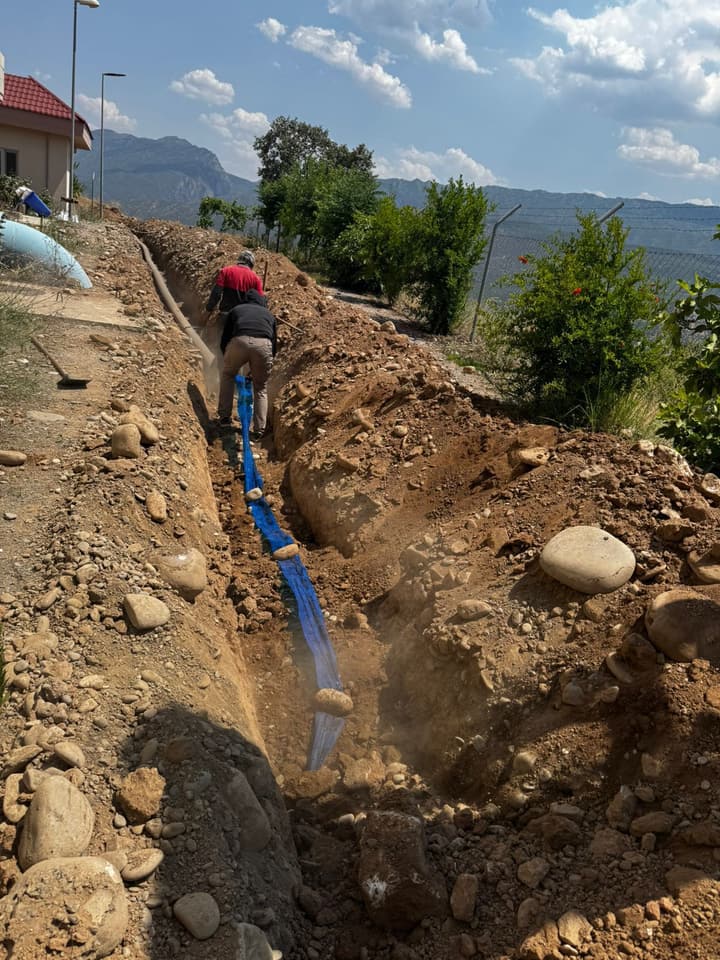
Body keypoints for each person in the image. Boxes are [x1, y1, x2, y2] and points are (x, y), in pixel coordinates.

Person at [218, 289, 277, 439]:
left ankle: (224, 418)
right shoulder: (269, 315)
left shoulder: (236, 309)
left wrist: (226, 356)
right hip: (264, 346)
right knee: (260, 387)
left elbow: (226, 337)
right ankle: (259, 430)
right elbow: (273, 345)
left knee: (228, 375)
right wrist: (261, 367)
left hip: (239, 341)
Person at [206, 250, 264, 315]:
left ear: (239, 260)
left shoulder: (226, 271)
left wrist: (210, 307)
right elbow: (260, 302)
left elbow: (217, 292)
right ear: (251, 264)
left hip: (226, 314)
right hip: (243, 317)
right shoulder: (256, 279)